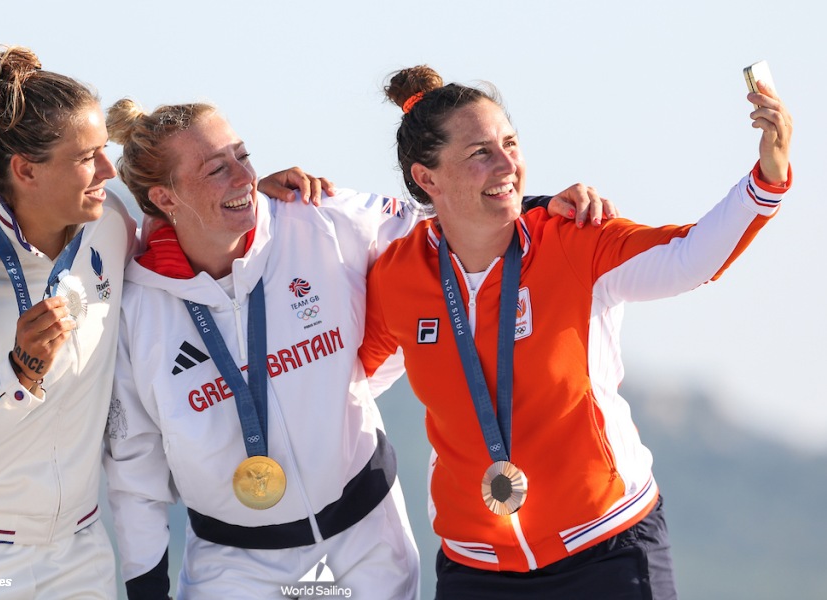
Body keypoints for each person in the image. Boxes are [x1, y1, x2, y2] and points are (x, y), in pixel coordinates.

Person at [102, 95, 617, 600]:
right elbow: (134, 468)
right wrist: (147, 587)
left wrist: (537, 206)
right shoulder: (137, 308)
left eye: (243, 156)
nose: (244, 178)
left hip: (366, 543)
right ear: (166, 198)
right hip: (235, 565)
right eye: (217, 169)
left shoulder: (318, 218)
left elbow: (445, 221)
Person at [0, 44, 320, 600]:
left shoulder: (109, 225)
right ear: (26, 170)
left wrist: (249, 201)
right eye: (87, 158)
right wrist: (20, 375)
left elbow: (185, 242)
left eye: (104, 149)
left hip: (76, 551)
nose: (109, 169)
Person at [359, 65, 792, 599]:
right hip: (476, 566)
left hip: (607, 549)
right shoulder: (397, 275)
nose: (507, 164)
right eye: (480, 153)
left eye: (510, 143)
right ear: (428, 178)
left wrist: (766, 180)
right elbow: (345, 381)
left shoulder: (573, 241)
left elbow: (689, 256)